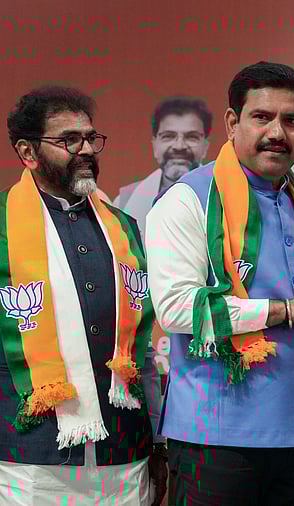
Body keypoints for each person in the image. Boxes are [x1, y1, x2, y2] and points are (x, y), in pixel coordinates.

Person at [146, 62, 294, 505]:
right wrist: (287, 310)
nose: (277, 132)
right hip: (214, 435)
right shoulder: (186, 199)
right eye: (262, 117)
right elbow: (177, 309)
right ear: (232, 122)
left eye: (291, 120)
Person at [1, 86, 166, 505]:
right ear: (27, 152)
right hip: (28, 462)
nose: (87, 149)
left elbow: (142, 351)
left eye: (91, 138)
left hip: (122, 454)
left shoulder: (123, 229)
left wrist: (158, 441)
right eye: (69, 140)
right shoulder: (2, 227)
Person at [114, 97, 212, 237]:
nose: (179, 146)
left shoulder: (223, 196)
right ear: (154, 144)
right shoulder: (124, 203)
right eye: (168, 136)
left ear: (205, 146)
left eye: (192, 137)